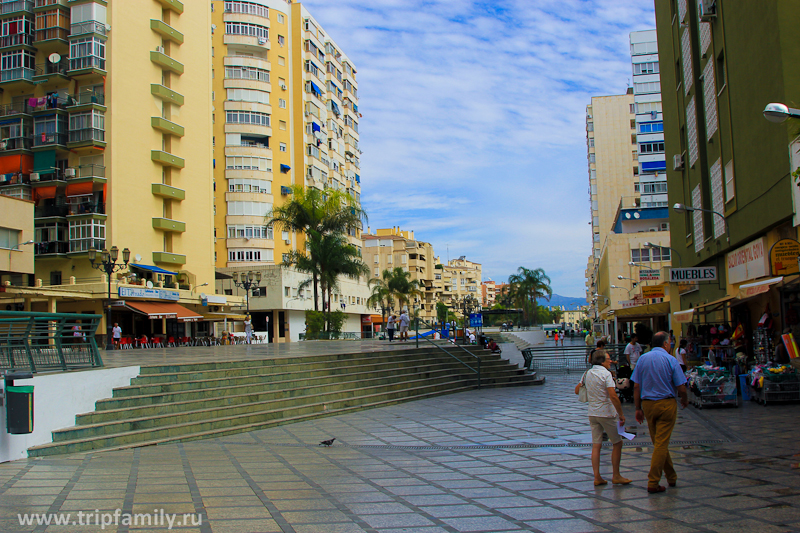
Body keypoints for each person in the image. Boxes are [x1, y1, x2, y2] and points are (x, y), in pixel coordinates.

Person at [632, 331, 689, 494]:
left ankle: (671, 477)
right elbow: (681, 386)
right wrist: (684, 399)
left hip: (648, 405)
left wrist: (638, 408)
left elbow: (636, 385)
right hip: (666, 405)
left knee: (659, 443)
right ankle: (653, 481)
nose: (671, 345)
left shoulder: (642, 359)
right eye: (670, 342)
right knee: (661, 444)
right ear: (665, 344)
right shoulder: (671, 360)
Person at [575, 350, 631, 486]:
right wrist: (621, 414)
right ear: (602, 361)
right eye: (608, 359)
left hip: (592, 412)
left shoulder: (587, 373)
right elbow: (613, 395)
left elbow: (577, 390)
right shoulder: (605, 374)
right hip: (606, 412)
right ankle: (616, 475)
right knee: (617, 443)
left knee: (596, 444)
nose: (610, 361)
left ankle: (597, 476)